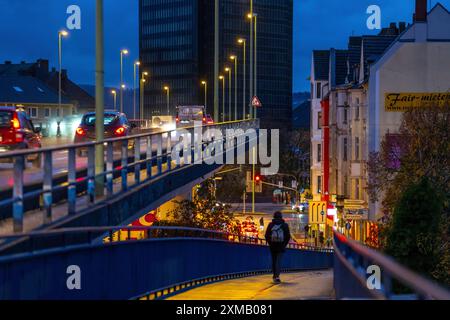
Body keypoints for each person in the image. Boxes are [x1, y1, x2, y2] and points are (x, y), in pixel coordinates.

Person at [265, 211, 291, 283]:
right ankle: (277, 276)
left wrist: (270, 243)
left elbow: (266, 235)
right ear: (281, 217)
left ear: (274, 216)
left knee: (274, 260)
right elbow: (288, 236)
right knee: (278, 261)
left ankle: (274, 276)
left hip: (273, 246)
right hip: (281, 246)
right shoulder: (285, 225)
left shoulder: (270, 224)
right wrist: (284, 244)